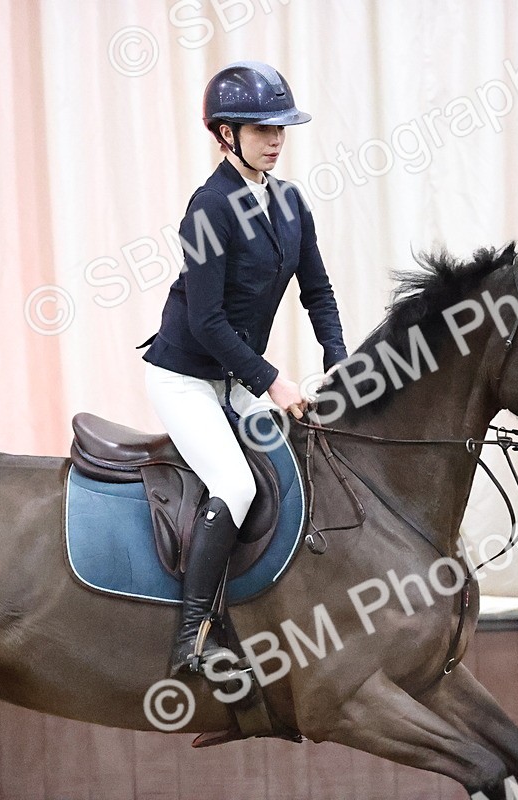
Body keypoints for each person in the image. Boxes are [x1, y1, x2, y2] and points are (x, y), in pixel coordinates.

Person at [138, 61, 347, 679]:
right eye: (262, 129)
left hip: (235, 379)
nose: (276, 139)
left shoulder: (288, 201)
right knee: (236, 484)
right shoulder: (208, 209)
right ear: (226, 134)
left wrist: (341, 363)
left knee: (297, 467)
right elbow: (206, 323)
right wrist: (274, 382)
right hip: (186, 379)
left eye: (281, 128)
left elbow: (319, 291)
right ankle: (191, 642)